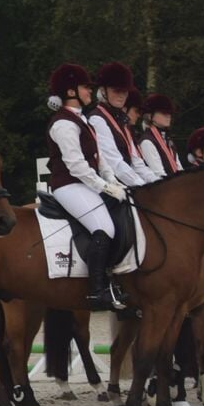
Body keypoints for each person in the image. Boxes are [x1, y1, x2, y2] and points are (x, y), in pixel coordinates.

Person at [45, 63, 126, 311]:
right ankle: (97, 290)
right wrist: (106, 188)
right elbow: (77, 166)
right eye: (85, 87)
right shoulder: (63, 124)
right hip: (68, 185)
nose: (90, 92)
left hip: (86, 184)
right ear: (71, 92)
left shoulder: (81, 120)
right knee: (104, 228)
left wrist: (113, 181)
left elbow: (99, 158)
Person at [87, 62, 161, 186]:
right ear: (103, 91)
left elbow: (137, 163)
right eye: (117, 91)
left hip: (126, 183)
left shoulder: (122, 122)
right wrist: (141, 186)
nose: (121, 96)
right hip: (108, 185)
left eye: (125, 92)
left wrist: (158, 183)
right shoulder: (97, 119)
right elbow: (114, 163)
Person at [136, 94, 182, 178]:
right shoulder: (147, 141)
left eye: (169, 113)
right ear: (150, 116)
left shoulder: (168, 140)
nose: (168, 116)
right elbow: (158, 173)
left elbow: (179, 167)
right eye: (163, 113)